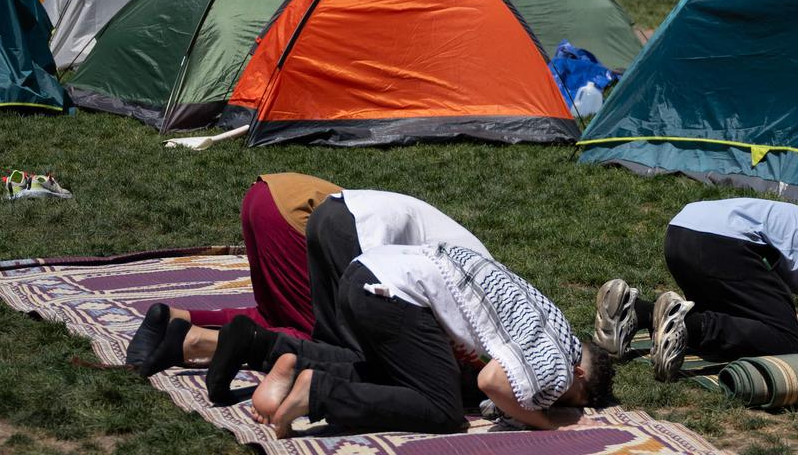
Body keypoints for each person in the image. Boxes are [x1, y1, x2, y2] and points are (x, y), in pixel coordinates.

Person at [213, 243, 614, 438]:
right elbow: (492, 381)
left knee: (399, 381)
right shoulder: (559, 361)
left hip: (363, 274)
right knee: (443, 411)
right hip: (394, 294)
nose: (557, 397)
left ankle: (295, 367)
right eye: (571, 400)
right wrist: (543, 422)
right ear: (579, 375)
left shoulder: (545, 317)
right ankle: (317, 392)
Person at [126, 178, 491, 387]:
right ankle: (200, 343)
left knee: (275, 312)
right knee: (323, 334)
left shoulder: (477, 269)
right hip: (298, 216)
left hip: (271, 195)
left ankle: (176, 318)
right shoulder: (480, 295)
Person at [593, 198, 798, 382]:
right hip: (724, 242)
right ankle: (682, 323)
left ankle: (632, 311)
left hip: (682, 232)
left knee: (739, 321)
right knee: (785, 338)